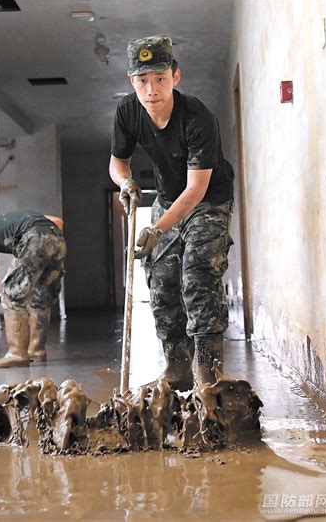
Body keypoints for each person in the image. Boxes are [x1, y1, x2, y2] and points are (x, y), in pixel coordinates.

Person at [109, 35, 234, 390]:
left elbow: (195, 190)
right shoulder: (128, 112)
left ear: (175, 77)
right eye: (142, 80)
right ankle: (177, 366)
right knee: (161, 279)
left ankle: (209, 373)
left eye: (160, 79)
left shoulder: (197, 117)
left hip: (208, 198)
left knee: (197, 274)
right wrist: (126, 183)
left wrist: (158, 228)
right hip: (167, 197)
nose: (151, 90)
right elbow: (117, 161)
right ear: (132, 82)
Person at [0, 208, 66, 368]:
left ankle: (17, 353)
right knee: (41, 297)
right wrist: (48, 243)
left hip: (35, 239)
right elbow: (58, 222)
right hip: (58, 242)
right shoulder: (15, 217)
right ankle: (36, 351)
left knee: (11, 293)